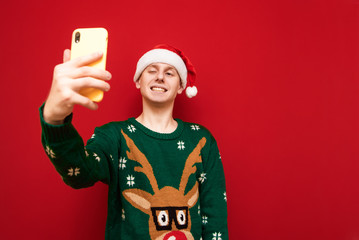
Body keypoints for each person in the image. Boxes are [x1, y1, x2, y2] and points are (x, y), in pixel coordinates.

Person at [40, 44, 228, 240]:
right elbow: (79, 172)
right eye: (152, 70)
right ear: (138, 81)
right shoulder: (114, 136)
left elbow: (215, 216)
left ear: (181, 86)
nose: (160, 77)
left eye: (170, 73)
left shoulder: (201, 140)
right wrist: (54, 119)